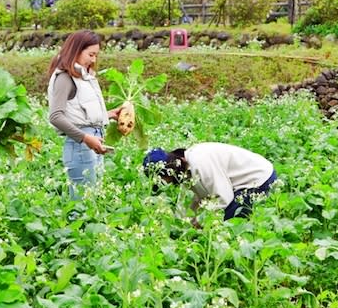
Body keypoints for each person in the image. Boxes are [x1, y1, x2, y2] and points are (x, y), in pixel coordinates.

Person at [47, 30, 120, 198]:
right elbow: (55, 116)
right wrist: (86, 139)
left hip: (92, 141)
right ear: (76, 51)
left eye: (96, 55)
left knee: (93, 200)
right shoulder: (65, 77)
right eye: (91, 55)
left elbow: (80, 115)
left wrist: (109, 114)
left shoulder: (82, 76)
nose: (93, 60)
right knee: (81, 203)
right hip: (81, 145)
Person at [143, 142, 277, 224]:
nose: (168, 183)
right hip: (241, 184)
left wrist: (199, 220)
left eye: (166, 179)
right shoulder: (185, 168)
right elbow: (190, 201)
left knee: (227, 221)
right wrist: (182, 222)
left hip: (259, 178)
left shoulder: (199, 163)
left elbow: (224, 198)